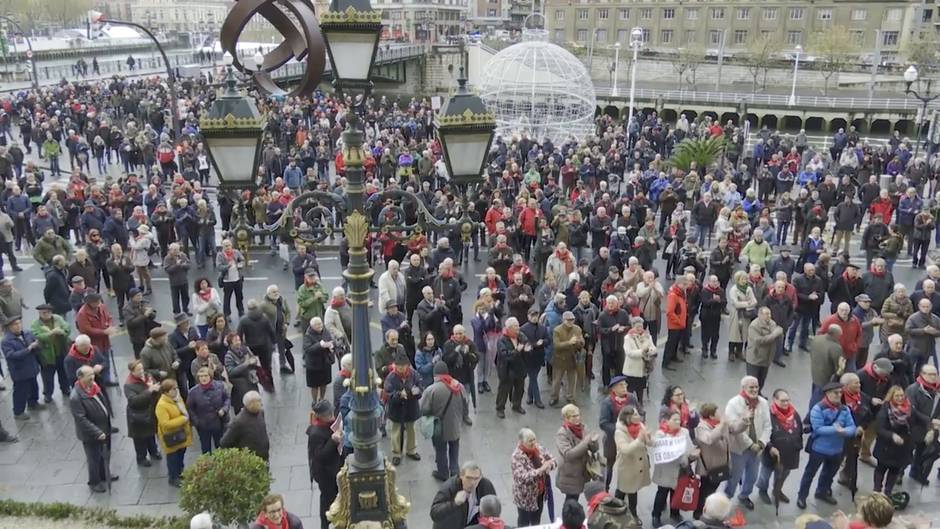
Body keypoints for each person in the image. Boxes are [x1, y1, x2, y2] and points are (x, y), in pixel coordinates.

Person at [797, 381, 857, 509]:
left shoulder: (844, 409)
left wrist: (845, 431)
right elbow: (818, 429)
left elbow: (852, 427)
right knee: (810, 474)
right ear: (827, 394)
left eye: (840, 393)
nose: (839, 395)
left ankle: (822, 492)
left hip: (837, 449)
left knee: (829, 474)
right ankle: (802, 496)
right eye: (836, 393)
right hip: (819, 449)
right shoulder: (818, 408)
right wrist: (836, 429)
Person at [723, 376, 771, 510]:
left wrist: (761, 443)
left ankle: (744, 495)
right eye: (751, 387)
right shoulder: (733, 403)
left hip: (757, 449)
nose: (755, 389)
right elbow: (734, 428)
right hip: (739, 449)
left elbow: (768, 426)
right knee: (734, 476)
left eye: (756, 387)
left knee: (752, 476)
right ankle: (726, 498)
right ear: (743, 388)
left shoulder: (763, 402)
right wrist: (750, 444)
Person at [420, 362, 472, 481]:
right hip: (455, 425)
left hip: (439, 427)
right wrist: (462, 416)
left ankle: (443, 472)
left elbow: (424, 409)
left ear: (435, 375)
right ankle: (454, 471)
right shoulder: (459, 386)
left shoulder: (431, 390)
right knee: (454, 448)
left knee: (441, 450)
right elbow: (466, 404)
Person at [70, 365, 116, 493]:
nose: (92, 377)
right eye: (89, 375)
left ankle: (104, 474)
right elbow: (81, 419)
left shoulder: (94, 387)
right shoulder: (76, 397)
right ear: (80, 377)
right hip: (91, 433)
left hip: (104, 428)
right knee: (94, 458)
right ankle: (94, 481)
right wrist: (97, 432)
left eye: (92, 374)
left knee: (104, 454)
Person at [693, 402, 741, 519]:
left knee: (713, 489)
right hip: (709, 467)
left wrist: (744, 420)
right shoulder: (701, 427)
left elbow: (735, 429)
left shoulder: (720, 424)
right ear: (711, 416)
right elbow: (709, 439)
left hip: (722, 464)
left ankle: (709, 510)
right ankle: (699, 513)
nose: (721, 414)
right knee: (705, 491)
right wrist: (721, 426)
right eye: (718, 412)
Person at [651, 410, 698, 528]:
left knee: (676, 492)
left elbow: (689, 449)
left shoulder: (684, 432)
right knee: (661, 494)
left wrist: (692, 456)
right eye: (674, 419)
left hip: (680, 470)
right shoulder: (660, 434)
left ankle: (675, 513)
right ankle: (656, 515)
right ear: (666, 421)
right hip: (665, 471)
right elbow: (655, 446)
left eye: (679, 419)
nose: (678, 422)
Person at [756, 389, 802, 506]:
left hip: (789, 453)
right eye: (782, 401)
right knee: (765, 475)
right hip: (771, 453)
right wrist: (770, 447)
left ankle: (777, 490)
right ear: (774, 400)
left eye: (787, 400)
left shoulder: (794, 414)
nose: (786, 403)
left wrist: (798, 445)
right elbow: (762, 433)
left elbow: (799, 430)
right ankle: (763, 490)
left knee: (783, 474)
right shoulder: (768, 414)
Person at [306, 400, 342, 529]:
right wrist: (332, 441)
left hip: (333, 468)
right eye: (328, 415)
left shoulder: (329, 424)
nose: (332, 416)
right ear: (320, 416)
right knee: (328, 500)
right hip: (325, 473)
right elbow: (320, 456)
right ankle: (326, 524)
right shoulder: (316, 433)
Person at [612, 404, 652, 522]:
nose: (638, 416)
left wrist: (648, 437)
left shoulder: (640, 426)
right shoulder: (620, 432)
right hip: (627, 467)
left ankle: (633, 514)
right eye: (635, 414)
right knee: (622, 490)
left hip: (638, 465)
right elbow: (625, 450)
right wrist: (639, 440)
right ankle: (615, 512)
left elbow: (649, 443)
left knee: (634, 489)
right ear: (627, 417)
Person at [872, 385, 914, 494]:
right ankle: (877, 491)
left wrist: (931, 422)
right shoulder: (885, 409)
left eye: (902, 396)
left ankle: (887, 492)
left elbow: (919, 417)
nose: (900, 398)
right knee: (881, 469)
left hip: (901, 447)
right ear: (891, 396)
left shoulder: (909, 408)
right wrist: (892, 436)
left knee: (895, 471)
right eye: (897, 396)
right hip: (886, 446)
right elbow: (880, 429)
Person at [429, 461, 497, 529]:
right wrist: (454, 503)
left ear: (480, 477)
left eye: (476, 478)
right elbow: (434, 513)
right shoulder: (450, 487)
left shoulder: (485, 485)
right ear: (461, 475)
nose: (472, 483)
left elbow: (494, 508)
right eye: (468, 478)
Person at [555, 403, 601, 503]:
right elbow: (568, 455)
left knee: (575, 500)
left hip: (582, 473)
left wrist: (593, 443)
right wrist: (586, 442)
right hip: (570, 475)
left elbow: (594, 449)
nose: (577, 418)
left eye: (578, 415)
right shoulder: (562, 433)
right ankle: (568, 518)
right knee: (571, 501)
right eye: (574, 416)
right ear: (566, 418)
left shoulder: (583, 428)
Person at [511, 428, 556, 526]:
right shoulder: (517, 456)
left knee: (536, 520)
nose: (533, 443)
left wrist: (549, 466)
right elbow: (522, 477)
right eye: (530, 440)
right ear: (521, 442)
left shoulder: (539, 448)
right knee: (524, 522)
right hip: (525, 497)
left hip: (539, 493)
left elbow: (553, 460)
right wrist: (541, 470)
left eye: (534, 439)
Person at [2, 315, 43, 419]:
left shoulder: (27, 333)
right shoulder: (6, 341)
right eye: (15, 324)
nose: (18, 326)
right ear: (9, 327)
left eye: (19, 323)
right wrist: (28, 349)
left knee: (34, 386)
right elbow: (11, 355)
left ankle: (33, 403)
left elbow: (35, 343)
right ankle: (18, 412)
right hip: (20, 371)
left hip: (32, 367)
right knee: (20, 392)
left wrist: (37, 345)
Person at [905, 364, 940, 485]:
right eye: (931, 374)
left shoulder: (937, 391)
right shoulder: (913, 389)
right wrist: (929, 421)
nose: (934, 377)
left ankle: (916, 473)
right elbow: (912, 410)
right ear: (922, 375)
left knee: (924, 452)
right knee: (907, 452)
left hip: (931, 429)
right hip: (914, 426)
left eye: (935, 374)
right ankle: (899, 473)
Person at [123, 360, 162, 466]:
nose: (142, 371)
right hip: (138, 415)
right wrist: (149, 390)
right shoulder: (129, 385)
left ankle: (153, 451)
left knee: (151, 434)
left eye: (142, 368)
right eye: (138, 370)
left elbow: (155, 387)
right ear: (132, 372)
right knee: (140, 438)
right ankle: (141, 457)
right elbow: (134, 401)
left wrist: (155, 388)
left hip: (149, 411)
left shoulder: (147, 376)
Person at [384, 355, 421, 465]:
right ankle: (396, 453)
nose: (400, 368)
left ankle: (411, 450)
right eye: (398, 366)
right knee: (396, 432)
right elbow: (388, 392)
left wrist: (416, 392)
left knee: (412, 430)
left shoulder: (414, 375)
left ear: (407, 366)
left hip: (411, 407)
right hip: (396, 409)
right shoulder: (391, 377)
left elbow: (420, 386)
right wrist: (399, 395)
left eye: (403, 366)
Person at [155, 378, 192, 487]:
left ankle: (180, 472)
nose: (176, 390)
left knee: (180, 454)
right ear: (166, 392)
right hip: (171, 436)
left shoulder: (177, 398)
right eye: (173, 389)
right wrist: (183, 419)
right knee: (172, 457)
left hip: (181, 433)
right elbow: (165, 423)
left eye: (176, 388)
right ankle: (173, 477)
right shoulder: (161, 405)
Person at [30, 303, 70, 402]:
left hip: (61, 352)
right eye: (43, 313)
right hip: (46, 355)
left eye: (48, 312)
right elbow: (37, 336)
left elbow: (67, 328)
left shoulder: (58, 319)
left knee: (63, 372)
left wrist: (62, 331)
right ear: (39, 313)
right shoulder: (35, 324)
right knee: (47, 376)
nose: (46, 314)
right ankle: (48, 394)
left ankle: (65, 389)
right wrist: (50, 333)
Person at [186, 366, 230, 454]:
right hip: (203, 425)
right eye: (201, 376)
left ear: (210, 376)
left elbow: (227, 399)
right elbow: (190, 408)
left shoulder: (220, 386)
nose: (203, 378)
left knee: (221, 446)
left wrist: (224, 409)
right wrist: (197, 422)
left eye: (205, 376)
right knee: (206, 450)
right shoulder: (193, 392)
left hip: (219, 422)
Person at [220, 390, 271, 463]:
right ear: (250, 404)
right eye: (259, 401)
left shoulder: (261, 413)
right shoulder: (238, 422)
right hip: (251, 461)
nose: (261, 404)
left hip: (264, 457)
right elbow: (224, 442)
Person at [495, 317, 528, 418]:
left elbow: (525, 341)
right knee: (503, 389)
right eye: (515, 327)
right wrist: (517, 350)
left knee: (520, 388)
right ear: (509, 328)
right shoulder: (502, 340)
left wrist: (526, 347)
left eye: (518, 326)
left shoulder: (520, 336)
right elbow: (505, 356)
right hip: (507, 369)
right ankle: (500, 408)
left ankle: (516, 405)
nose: (518, 329)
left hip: (520, 367)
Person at [745, 306, 784, 391]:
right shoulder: (754, 326)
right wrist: (773, 335)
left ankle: (758, 393)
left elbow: (778, 334)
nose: (769, 316)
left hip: (767, 358)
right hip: (755, 358)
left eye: (769, 314)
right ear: (760, 315)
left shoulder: (772, 323)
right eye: (766, 314)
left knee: (761, 380)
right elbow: (759, 341)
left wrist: (777, 334)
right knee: (752, 381)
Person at [551, 311, 584, 406]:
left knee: (572, 380)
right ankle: (554, 397)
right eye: (568, 320)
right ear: (563, 320)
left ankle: (570, 397)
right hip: (560, 359)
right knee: (557, 380)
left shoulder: (577, 329)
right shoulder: (557, 330)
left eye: (572, 320)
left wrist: (580, 342)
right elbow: (556, 345)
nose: (570, 322)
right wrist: (569, 342)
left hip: (572, 358)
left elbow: (581, 342)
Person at [225, 333, 260, 415]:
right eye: (235, 341)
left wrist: (254, 361)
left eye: (239, 340)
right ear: (231, 343)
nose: (238, 342)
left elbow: (253, 358)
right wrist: (246, 364)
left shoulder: (245, 349)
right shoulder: (228, 356)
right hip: (239, 383)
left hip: (250, 378)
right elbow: (231, 372)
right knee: (244, 405)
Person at [302, 317, 334, 402]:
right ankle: (315, 401)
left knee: (324, 383)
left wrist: (330, 345)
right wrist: (320, 345)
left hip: (325, 362)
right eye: (317, 324)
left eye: (320, 323)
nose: (320, 326)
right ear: (312, 326)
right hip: (314, 365)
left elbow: (330, 339)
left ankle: (322, 398)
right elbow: (308, 349)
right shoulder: (308, 335)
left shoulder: (325, 331)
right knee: (314, 385)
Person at [727, 271, 757, 362]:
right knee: (734, 333)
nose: (744, 281)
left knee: (744, 333)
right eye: (742, 279)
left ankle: (739, 352)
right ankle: (731, 352)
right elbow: (735, 303)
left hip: (746, 314)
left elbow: (754, 301)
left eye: (745, 279)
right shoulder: (734, 289)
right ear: (737, 280)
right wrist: (748, 303)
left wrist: (744, 304)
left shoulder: (749, 289)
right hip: (736, 314)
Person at [216, 239, 246, 318]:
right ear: (223, 247)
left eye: (229, 245)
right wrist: (227, 267)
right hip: (227, 281)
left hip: (237, 279)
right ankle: (227, 314)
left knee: (239, 296)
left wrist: (240, 265)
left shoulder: (236, 252)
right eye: (225, 246)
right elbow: (219, 267)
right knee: (227, 298)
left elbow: (242, 260)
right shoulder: (220, 255)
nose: (228, 247)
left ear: (231, 245)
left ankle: (241, 310)